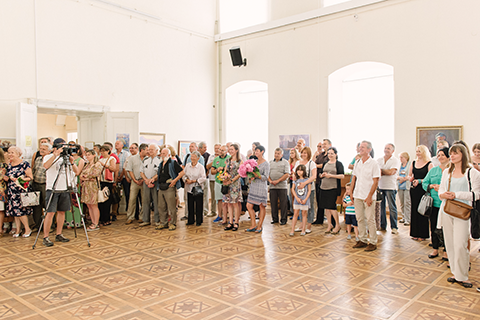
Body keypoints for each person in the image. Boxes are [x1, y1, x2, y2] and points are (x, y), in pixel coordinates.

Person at [439, 144, 480, 288]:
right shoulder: (447, 172)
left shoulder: (472, 172)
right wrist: (443, 195)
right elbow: (441, 191)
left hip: (463, 212)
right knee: (449, 243)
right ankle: (456, 274)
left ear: (463, 154)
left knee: (460, 244)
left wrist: (456, 195)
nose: (452, 156)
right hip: (447, 210)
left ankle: (463, 276)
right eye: (451, 153)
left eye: (455, 153)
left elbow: (476, 194)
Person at [42, 138, 80, 246]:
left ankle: (59, 234)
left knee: (62, 212)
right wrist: (56, 155)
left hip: (64, 188)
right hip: (52, 188)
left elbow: (76, 172)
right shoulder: (49, 156)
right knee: (50, 213)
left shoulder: (67, 158)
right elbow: (46, 166)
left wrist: (72, 163)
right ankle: (46, 236)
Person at [351, 141, 381, 251]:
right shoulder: (358, 162)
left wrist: (369, 196)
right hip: (358, 194)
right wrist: (351, 192)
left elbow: (376, 181)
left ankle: (373, 241)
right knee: (359, 218)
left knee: (370, 219)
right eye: (360, 147)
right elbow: (354, 177)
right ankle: (362, 239)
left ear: (369, 149)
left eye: (363, 147)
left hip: (368, 195)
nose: (360, 148)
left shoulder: (374, 163)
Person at [423, 147, 450, 260]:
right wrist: (431, 186)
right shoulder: (433, 170)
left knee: (446, 229)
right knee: (434, 227)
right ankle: (435, 249)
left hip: (447, 204)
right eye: (438, 155)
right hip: (434, 204)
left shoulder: (452, 170)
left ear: (448, 157)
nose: (440, 157)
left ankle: (446, 250)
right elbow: (425, 183)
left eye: (442, 155)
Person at [4, 146, 34, 238]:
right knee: (15, 212)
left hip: (21, 191)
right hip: (12, 191)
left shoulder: (24, 164)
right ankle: (18, 230)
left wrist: (20, 179)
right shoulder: (9, 164)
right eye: (9, 153)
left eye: (12, 152)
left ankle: (27, 229)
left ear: (18, 154)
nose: (10, 155)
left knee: (21, 212)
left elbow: (30, 177)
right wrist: (7, 178)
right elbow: (8, 177)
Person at [408, 145, 433, 241]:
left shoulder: (429, 164)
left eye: (419, 151)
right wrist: (411, 179)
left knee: (423, 211)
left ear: (424, 152)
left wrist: (420, 181)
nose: (417, 153)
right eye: (417, 151)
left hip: (423, 190)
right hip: (414, 189)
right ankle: (414, 233)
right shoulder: (413, 162)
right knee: (414, 210)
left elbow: (430, 179)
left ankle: (423, 234)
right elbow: (410, 175)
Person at [156, 147, 184, 230]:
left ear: (168, 154)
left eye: (164, 153)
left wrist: (174, 181)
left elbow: (182, 172)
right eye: (161, 153)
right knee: (161, 206)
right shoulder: (161, 164)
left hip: (169, 187)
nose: (162, 155)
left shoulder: (173, 163)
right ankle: (163, 223)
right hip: (161, 187)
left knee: (171, 207)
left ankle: (172, 223)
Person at [318, 147, 345, 234]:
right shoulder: (325, 162)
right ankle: (329, 224)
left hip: (332, 188)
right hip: (323, 187)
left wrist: (331, 176)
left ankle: (337, 225)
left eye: (332, 153)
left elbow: (342, 176)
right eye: (329, 153)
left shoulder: (338, 164)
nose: (330, 155)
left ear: (336, 154)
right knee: (326, 207)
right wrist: (322, 175)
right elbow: (321, 173)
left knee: (332, 207)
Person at [245, 145, 269, 233]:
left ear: (262, 151)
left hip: (261, 187)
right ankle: (253, 224)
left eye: (258, 151)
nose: (256, 152)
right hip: (254, 186)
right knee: (249, 205)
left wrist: (256, 175)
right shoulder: (254, 162)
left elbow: (265, 177)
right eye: (255, 151)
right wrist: (250, 175)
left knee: (261, 206)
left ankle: (259, 226)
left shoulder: (266, 163)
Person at [377, 143, 401, 234]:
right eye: (385, 148)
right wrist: (383, 171)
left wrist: (381, 171)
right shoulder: (379, 160)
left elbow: (391, 172)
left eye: (389, 148)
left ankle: (394, 227)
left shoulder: (395, 160)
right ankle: (383, 225)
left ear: (393, 151)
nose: (386, 150)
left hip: (391, 187)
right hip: (380, 186)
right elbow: (376, 172)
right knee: (381, 207)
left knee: (392, 207)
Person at [293, 147, 317, 233]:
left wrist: (304, 183)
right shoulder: (297, 162)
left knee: (309, 207)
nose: (303, 154)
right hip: (299, 189)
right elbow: (294, 173)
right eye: (302, 152)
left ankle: (309, 226)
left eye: (305, 153)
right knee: (300, 206)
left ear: (309, 154)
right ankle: (301, 225)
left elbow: (314, 176)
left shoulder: (312, 163)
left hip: (309, 189)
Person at [181, 142, 205, 221]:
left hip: (197, 188)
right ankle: (190, 220)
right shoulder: (188, 166)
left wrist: (195, 181)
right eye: (191, 156)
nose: (192, 158)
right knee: (190, 205)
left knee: (198, 205)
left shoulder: (200, 167)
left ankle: (199, 220)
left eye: (194, 157)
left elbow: (203, 178)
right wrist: (186, 180)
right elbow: (183, 174)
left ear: (198, 158)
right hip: (189, 188)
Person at [80, 149, 103, 231]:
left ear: (94, 155)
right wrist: (86, 177)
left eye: (89, 154)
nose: (87, 156)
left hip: (93, 187)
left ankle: (96, 223)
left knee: (94, 205)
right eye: (86, 154)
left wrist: (86, 176)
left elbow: (95, 174)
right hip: (86, 186)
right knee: (89, 205)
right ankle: (93, 222)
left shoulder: (97, 164)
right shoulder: (87, 165)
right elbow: (81, 175)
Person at [139, 144, 161, 227]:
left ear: (156, 150)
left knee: (156, 202)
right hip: (146, 183)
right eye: (149, 149)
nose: (150, 151)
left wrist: (152, 179)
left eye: (152, 149)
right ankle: (146, 220)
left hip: (155, 183)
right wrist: (146, 179)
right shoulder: (145, 160)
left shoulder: (159, 160)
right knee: (145, 201)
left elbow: (159, 173)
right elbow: (141, 171)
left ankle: (157, 220)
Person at [125, 143, 147, 224]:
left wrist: (143, 180)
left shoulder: (148, 159)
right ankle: (130, 217)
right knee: (132, 200)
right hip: (135, 182)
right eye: (147, 150)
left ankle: (142, 217)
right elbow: (129, 170)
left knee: (144, 200)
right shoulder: (132, 158)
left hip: (144, 182)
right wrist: (134, 180)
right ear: (142, 150)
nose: (148, 151)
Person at [30, 143, 50, 232]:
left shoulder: (50, 159)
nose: (41, 150)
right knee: (36, 206)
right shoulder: (37, 159)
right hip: (36, 184)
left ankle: (50, 226)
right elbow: (34, 170)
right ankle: (37, 225)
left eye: (44, 149)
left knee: (48, 206)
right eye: (40, 148)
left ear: (49, 151)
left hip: (45, 184)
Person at [222, 144, 243, 231]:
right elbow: (225, 171)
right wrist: (224, 176)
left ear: (236, 150)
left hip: (235, 183)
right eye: (229, 149)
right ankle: (230, 222)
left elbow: (240, 173)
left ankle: (236, 222)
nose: (230, 151)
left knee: (235, 203)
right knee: (229, 203)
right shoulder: (228, 160)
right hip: (228, 183)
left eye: (232, 149)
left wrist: (232, 180)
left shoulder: (240, 161)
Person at [268, 148, 290, 225]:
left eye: (278, 153)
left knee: (283, 204)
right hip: (272, 186)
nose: (276, 155)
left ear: (282, 155)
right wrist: (270, 181)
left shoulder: (285, 162)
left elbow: (287, 174)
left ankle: (283, 219)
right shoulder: (270, 162)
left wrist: (278, 181)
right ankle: (275, 219)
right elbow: (267, 174)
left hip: (282, 186)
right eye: (275, 153)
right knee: (273, 203)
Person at [65, 145, 85, 229]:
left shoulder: (80, 160)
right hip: (66, 181)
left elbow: (78, 172)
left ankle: (76, 221)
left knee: (75, 202)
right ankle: (68, 222)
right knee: (67, 202)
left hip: (75, 182)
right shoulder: (66, 159)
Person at [98, 145, 117, 226]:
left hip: (108, 181)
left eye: (104, 151)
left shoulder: (111, 159)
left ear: (108, 151)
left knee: (106, 201)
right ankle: (101, 219)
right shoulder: (100, 159)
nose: (102, 152)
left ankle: (106, 219)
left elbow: (113, 168)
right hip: (101, 181)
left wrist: (104, 165)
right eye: (101, 151)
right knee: (100, 200)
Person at [211, 145, 230, 224]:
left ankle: (229, 216)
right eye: (219, 150)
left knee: (228, 200)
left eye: (222, 150)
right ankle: (219, 215)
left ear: (226, 151)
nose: (220, 151)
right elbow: (212, 171)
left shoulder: (229, 158)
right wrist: (217, 170)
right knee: (219, 199)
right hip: (218, 182)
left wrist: (224, 169)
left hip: (227, 182)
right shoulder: (216, 159)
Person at [290, 164, 311, 236]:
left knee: (304, 214)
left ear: (304, 171)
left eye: (301, 170)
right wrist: (296, 198)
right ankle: (292, 230)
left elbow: (309, 190)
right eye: (298, 170)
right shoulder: (295, 180)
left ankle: (303, 230)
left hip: (305, 199)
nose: (299, 171)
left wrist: (305, 199)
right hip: (297, 200)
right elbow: (292, 189)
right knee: (295, 214)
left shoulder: (307, 180)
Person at [313, 139, 330, 225]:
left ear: (330, 145)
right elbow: (313, 163)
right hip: (318, 180)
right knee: (318, 200)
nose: (323, 145)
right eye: (322, 144)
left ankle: (331, 221)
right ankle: (319, 219)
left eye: (325, 144)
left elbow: (325, 165)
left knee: (326, 201)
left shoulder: (330, 154)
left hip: (327, 181)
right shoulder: (321, 155)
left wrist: (317, 166)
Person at [113, 140, 131, 214]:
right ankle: (115, 211)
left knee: (127, 193)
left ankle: (128, 210)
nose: (116, 145)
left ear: (122, 145)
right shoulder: (113, 154)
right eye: (115, 144)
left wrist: (121, 175)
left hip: (124, 177)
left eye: (118, 144)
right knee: (115, 194)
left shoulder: (126, 154)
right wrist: (116, 177)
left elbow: (126, 166)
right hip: (114, 177)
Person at [206, 144, 221, 218]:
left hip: (220, 179)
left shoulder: (222, 158)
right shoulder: (211, 157)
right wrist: (214, 162)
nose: (217, 150)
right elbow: (207, 166)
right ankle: (213, 211)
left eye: (218, 148)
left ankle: (221, 213)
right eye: (215, 148)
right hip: (212, 178)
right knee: (213, 195)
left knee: (220, 196)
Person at [397, 152, 411, 226]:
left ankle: (408, 219)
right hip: (400, 186)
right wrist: (400, 178)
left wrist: (404, 179)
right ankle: (403, 217)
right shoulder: (399, 165)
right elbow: (396, 175)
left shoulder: (410, 165)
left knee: (407, 203)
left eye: (402, 157)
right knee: (402, 203)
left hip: (407, 186)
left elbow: (410, 175)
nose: (400, 159)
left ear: (406, 158)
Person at [198, 142, 210, 217]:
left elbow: (208, 167)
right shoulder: (196, 155)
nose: (206, 149)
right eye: (204, 147)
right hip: (196, 179)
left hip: (205, 177)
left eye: (206, 147)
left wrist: (204, 176)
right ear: (200, 148)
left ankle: (205, 210)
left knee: (205, 194)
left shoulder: (208, 155)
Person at [288, 148, 300, 216]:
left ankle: (298, 212)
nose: (291, 154)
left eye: (293, 153)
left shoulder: (299, 161)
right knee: (291, 196)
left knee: (297, 196)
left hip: (297, 180)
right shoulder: (289, 161)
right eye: (290, 153)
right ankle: (293, 211)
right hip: (291, 180)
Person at [0, 149, 6, 237]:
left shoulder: (3, 165)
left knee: (0, 210)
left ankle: (0, 229)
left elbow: (2, 176)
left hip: (1, 190)